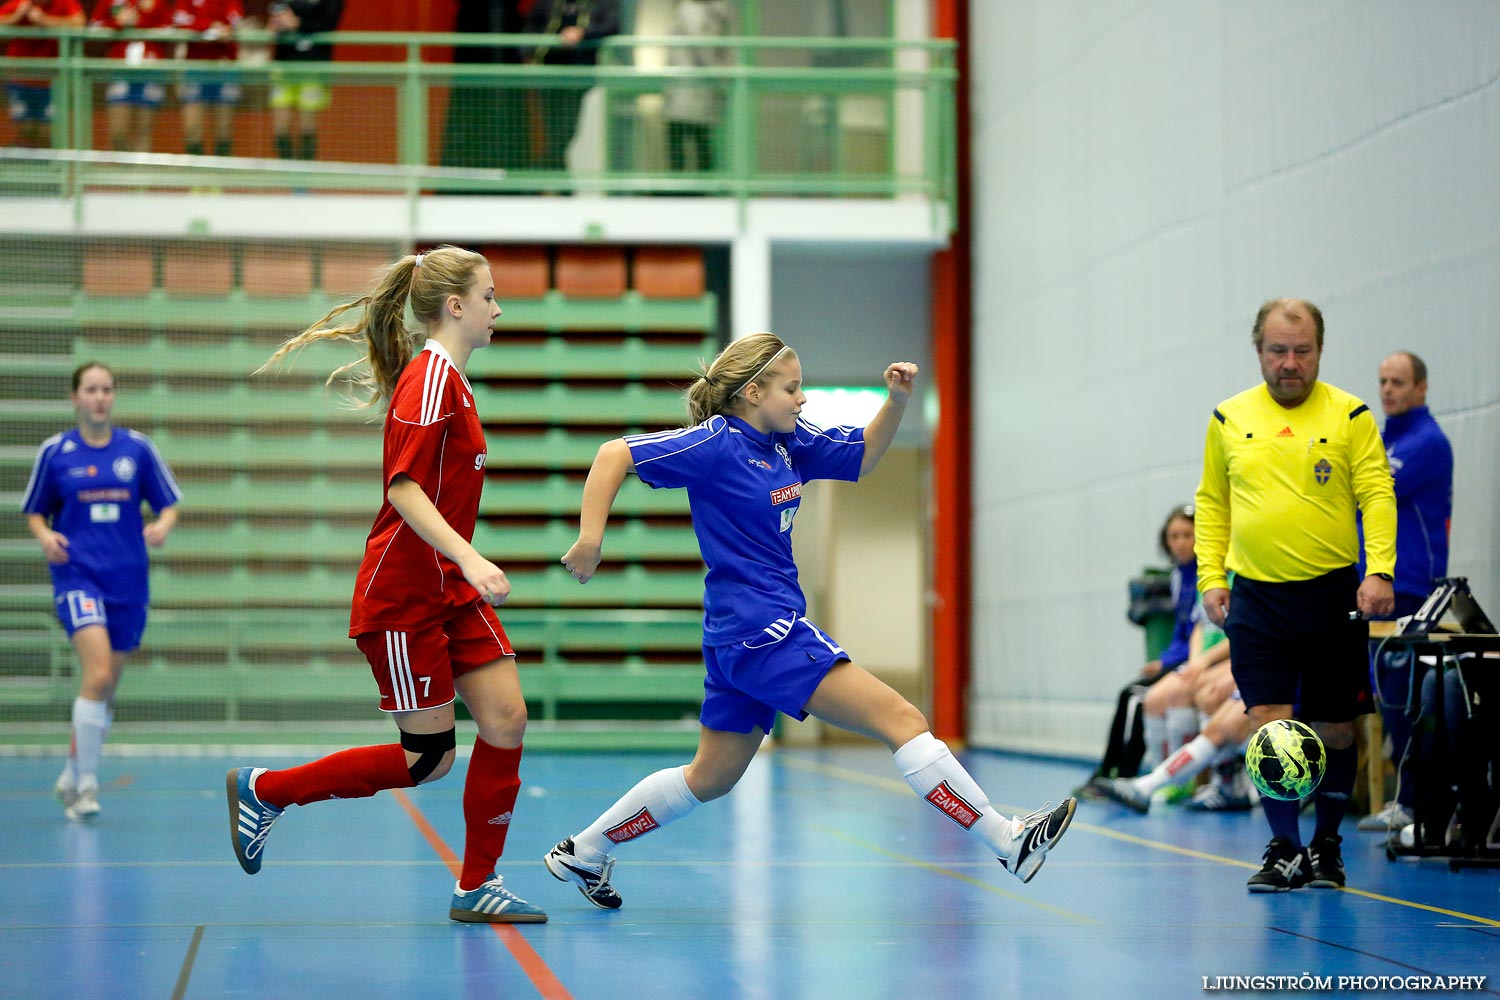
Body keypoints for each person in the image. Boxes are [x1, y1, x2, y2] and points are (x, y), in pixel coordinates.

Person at [542, 333, 1076, 910]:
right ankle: (1007, 840)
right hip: (762, 629)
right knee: (902, 718)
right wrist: (591, 540)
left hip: (735, 637)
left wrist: (895, 400)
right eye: (792, 388)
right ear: (752, 393)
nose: (802, 398)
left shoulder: (791, 443)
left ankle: (583, 851)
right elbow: (613, 454)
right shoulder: (716, 443)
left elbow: (864, 455)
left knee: (711, 776)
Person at [226, 245, 546, 924]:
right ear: (455, 306)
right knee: (428, 759)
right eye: (488, 295)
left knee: (507, 719)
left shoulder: (454, 382)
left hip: (446, 591)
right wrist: (470, 557)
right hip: (404, 595)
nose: (498, 308)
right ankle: (268, 790)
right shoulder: (429, 378)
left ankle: (477, 885)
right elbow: (403, 489)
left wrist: (459, 568)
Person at [1196, 297, 1396, 892]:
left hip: (1332, 595)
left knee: (1335, 729)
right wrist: (1212, 577)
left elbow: (1377, 495)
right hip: (1257, 598)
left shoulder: (1351, 415)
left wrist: (1379, 569)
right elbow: (1212, 504)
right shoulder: (1229, 419)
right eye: (1278, 351)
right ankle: (1285, 847)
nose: (1290, 364)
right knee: (1270, 726)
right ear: (1259, 351)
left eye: (1302, 352)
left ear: (1319, 353)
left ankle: (1326, 845)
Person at [22, 362, 182, 821]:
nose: (99, 397)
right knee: (94, 677)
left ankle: (72, 770)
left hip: (128, 580)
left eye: (106, 389)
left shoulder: (137, 449)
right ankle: (87, 789)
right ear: (75, 397)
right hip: (78, 576)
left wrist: (162, 527)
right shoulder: (56, 453)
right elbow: (35, 511)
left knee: (106, 687)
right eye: (91, 389)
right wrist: (44, 536)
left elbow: (168, 503)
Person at [1356, 350, 1453, 834]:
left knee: (1405, 695)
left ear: (1421, 387)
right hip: (1376, 586)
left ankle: (1417, 802)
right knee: (1386, 692)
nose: (1388, 390)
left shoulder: (1426, 443)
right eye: (1382, 381)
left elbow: (1367, 491)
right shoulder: (1384, 439)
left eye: (1398, 381)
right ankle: (1405, 798)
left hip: (1410, 586)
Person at [1075, 504, 1199, 796]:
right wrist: (1164, 660)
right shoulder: (1179, 576)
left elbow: (1199, 632)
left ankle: (1125, 776)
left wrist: (1170, 661)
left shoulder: (1205, 574)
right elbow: (1182, 631)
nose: (1180, 542)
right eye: (1174, 536)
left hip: (1192, 662)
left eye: (1187, 535)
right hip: (1177, 659)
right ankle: (1107, 769)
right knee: (1127, 694)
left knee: (1136, 699)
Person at [521, 0, 621, 176]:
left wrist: (582, 33)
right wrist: (528, 53)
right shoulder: (547, 4)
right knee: (553, 136)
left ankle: (548, 182)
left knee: (564, 134)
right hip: (548, 75)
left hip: (578, 77)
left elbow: (611, 25)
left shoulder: (602, 4)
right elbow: (532, 26)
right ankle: (560, 187)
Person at [89, 0, 174, 152]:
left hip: (150, 69)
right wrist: (117, 22)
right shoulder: (110, 2)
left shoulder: (158, 3)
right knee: (118, 132)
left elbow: (170, 31)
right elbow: (94, 29)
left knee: (144, 128)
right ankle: (123, 170)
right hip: (120, 70)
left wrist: (145, 17)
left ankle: (140, 172)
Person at [662, 0, 733, 180]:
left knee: (691, 138)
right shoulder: (704, 12)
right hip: (692, 88)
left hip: (691, 88)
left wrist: (718, 74)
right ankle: (691, 185)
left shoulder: (693, 11)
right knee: (694, 137)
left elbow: (704, 48)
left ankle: (691, 186)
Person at [1, 0, 86, 148]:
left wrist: (44, 20)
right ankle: (26, 165)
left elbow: (79, 23)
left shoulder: (65, 3)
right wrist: (16, 17)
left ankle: (49, 167)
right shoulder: (20, 4)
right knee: (26, 128)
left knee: (47, 130)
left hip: (52, 80)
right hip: (21, 78)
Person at [267, 0, 342, 161]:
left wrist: (297, 23)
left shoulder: (330, 4)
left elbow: (328, 25)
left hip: (313, 67)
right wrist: (276, 25)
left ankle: (304, 179)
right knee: (280, 126)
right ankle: (287, 173)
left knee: (307, 126)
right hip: (284, 66)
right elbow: (275, 21)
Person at [172, 0, 244, 157]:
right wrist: (209, 26)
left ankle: (220, 178)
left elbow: (235, 20)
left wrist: (224, 29)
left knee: (224, 129)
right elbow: (180, 22)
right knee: (192, 128)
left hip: (225, 66)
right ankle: (196, 179)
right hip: (195, 67)